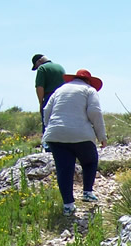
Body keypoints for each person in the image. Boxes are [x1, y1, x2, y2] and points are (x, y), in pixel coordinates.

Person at [42, 69, 107, 216]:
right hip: (81, 134)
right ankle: (87, 192)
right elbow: (95, 112)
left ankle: (68, 205)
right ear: (89, 81)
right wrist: (101, 135)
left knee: (64, 169)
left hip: (56, 134)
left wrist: (50, 127)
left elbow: (47, 110)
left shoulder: (59, 90)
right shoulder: (89, 90)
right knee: (90, 160)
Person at [31, 54, 66, 134]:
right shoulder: (60, 67)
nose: (37, 68)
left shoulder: (42, 68)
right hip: (62, 98)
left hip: (49, 98)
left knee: (47, 124)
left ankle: (47, 144)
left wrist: (41, 103)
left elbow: (39, 87)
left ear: (39, 61)